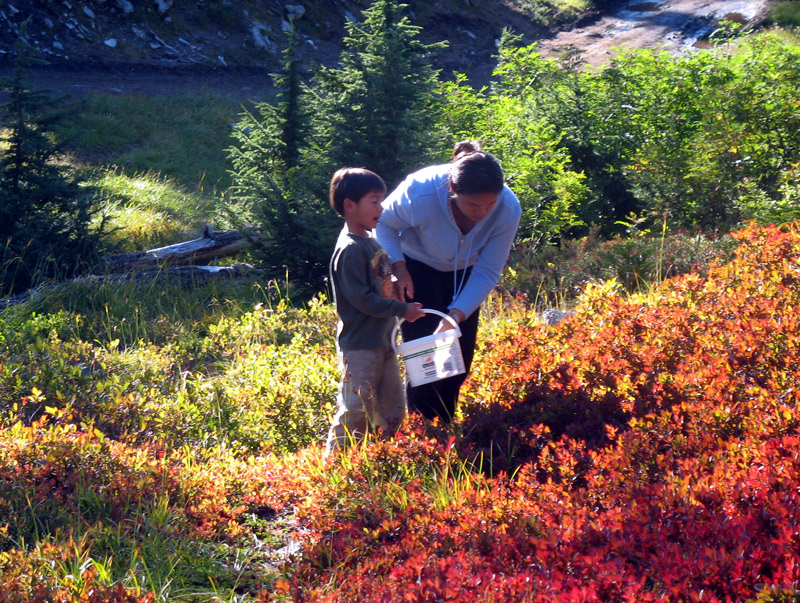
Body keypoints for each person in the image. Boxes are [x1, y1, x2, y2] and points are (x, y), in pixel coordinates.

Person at [376, 141, 521, 424]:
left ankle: (445, 426)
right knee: (425, 360)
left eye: (489, 204)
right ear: (453, 190)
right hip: (416, 268)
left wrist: (456, 315)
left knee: (459, 361)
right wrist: (399, 267)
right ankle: (422, 434)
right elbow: (384, 224)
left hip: (467, 273)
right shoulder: (421, 191)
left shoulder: (508, 208)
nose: (482, 212)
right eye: (472, 205)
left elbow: (489, 269)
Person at [325, 167, 425, 454]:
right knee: (356, 408)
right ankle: (338, 463)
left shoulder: (371, 241)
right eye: (374, 201)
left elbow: (377, 284)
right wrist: (401, 309)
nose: (381, 208)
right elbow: (362, 300)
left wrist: (393, 282)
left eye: (381, 200)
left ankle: (385, 458)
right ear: (350, 206)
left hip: (383, 342)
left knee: (393, 404)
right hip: (360, 345)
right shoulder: (350, 249)